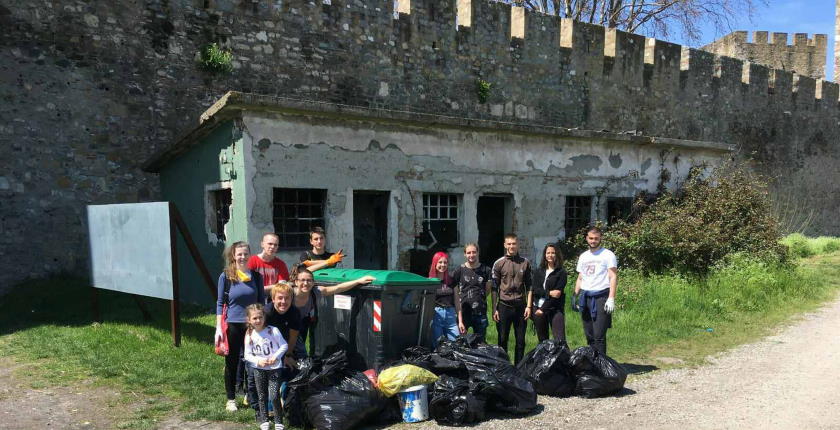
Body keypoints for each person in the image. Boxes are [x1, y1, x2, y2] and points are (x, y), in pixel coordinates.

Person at [215, 241, 265, 412]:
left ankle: (249, 394)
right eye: (239, 254)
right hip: (233, 325)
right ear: (233, 256)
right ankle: (230, 399)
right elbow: (220, 302)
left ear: (249, 255)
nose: (242, 257)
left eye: (245, 254)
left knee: (252, 360)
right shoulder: (226, 276)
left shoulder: (257, 277)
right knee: (232, 362)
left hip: (252, 326)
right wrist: (218, 328)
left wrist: (261, 325)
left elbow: (261, 303)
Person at [291, 266, 375, 358]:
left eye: (309, 280)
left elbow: (338, 288)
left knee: (297, 354)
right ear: (296, 282)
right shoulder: (289, 293)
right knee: (297, 353)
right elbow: (273, 291)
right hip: (283, 325)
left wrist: (358, 281)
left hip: (299, 324)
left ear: (313, 282)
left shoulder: (316, 292)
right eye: (302, 280)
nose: (305, 283)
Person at [247, 282, 301, 416]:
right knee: (254, 376)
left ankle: (279, 403)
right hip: (259, 347)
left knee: (290, 370)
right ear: (273, 299)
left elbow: (293, 336)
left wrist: (287, 355)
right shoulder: (266, 313)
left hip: (281, 347)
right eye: (280, 298)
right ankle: (257, 407)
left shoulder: (294, 312)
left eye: (287, 298)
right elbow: (253, 333)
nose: (283, 302)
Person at [243, 303, 288, 430]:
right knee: (261, 395)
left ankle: (279, 421)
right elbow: (247, 354)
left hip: (274, 369)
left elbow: (284, 345)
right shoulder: (249, 334)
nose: (258, 320)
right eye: (254, 318)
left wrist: (276, 357)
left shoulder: (273, 331)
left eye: (260, 317)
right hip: (259, 369)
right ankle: (265, 420)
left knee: (273, 396)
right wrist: (258, 361)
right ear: (249, 320)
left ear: (264, 317)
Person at [574, 226, 618, 355]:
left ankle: (602, 367)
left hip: (600, 297)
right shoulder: (583, 256)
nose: (593, 241)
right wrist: (575, 295)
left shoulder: (608, 255)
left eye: (596, 238)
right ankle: (593, 363)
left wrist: (611, 298)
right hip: (585, 297)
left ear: (600, 239)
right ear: (587, 238)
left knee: (599, 335)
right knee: (589, 334)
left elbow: (613, 276)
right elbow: (580, 277)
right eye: (591, 238)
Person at [492, 233, 533, 364]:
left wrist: (529, 306)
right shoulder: (499, 263)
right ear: (505, 245)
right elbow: (494, 288)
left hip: (521, 306)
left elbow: (530, 286)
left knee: (520, 341)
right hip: (504, 306)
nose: (511, 246)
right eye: (509, 244)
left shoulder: (525, 263)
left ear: (518, 245)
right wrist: (494, 308)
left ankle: (519, 368)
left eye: (514, 243)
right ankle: (503, 367)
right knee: (502, 339)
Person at [450, 244, 492, 343]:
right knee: (461, 342)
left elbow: (488, 289)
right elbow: (455, 290)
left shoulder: (486, 270)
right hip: (464, 311)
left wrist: (479, 298)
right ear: (465, 254)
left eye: (474, 252)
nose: (471, 255)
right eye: (468, 252)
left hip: (480, 311)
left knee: (481, 343)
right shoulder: (459, 270)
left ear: (478, 253)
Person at [532, 243, 568, 343]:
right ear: (544, 255)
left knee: (560, 340)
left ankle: (563, 358)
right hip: (538, 308)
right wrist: (549, 293)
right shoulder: (538, 271)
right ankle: (544, 359)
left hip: (555, 308)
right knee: (543, 341)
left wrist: (543, 309)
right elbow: (535, 290)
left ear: (557, 255)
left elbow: (557, 295)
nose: (550, 255)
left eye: (553, 253)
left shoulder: (561, 272)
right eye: (548, 253)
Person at [429, 251, 458, 347]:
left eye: (445, 262)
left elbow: (457, 301)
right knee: (438, 344)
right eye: (440, 262)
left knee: (456, 343)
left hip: (451, 315)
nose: (443, 265)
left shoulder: (452, 280)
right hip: (436, 315)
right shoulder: (430, 282)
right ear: (435, 264)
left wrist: (460, 320)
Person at [248, 233, 290, 299]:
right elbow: (250, 287)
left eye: (275, 245)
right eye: (270, 244)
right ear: (262, 244)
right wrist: (275, 286)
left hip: (273, 301)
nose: (272, 247)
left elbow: (282, 287)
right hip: (254, 300)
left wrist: (261, 289)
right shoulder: (252, 261)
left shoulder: (281, 264)